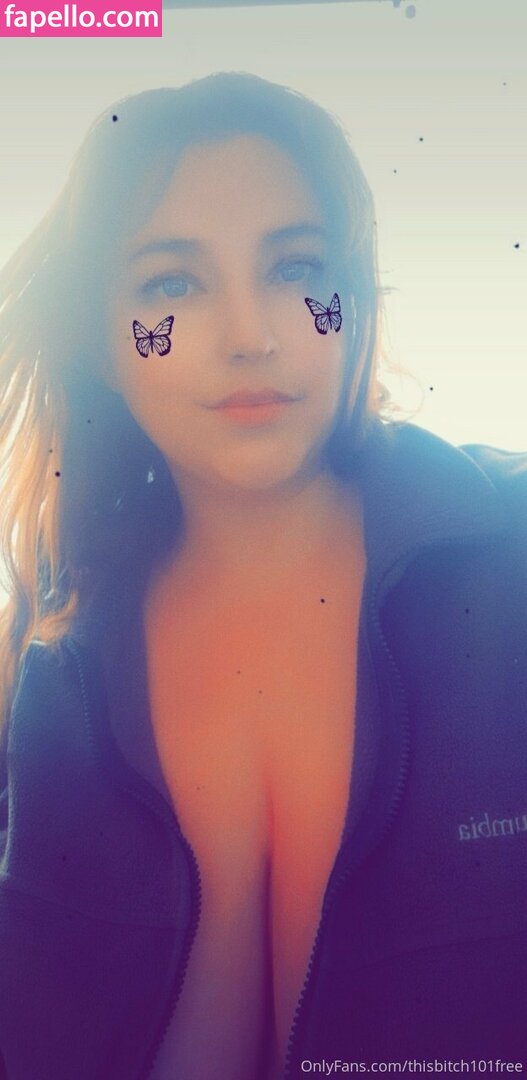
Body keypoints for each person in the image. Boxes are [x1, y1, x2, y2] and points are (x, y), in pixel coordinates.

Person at [0, 71, 526, 1080]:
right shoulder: (55, 676)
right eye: (171, 283)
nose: (250, 334)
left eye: (295, 267)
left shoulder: (513, 565)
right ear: (100, 341)